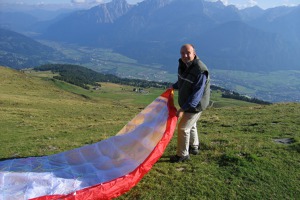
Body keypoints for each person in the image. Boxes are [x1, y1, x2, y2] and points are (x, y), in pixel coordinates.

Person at [170, 44, 210, 163]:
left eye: (188, 53)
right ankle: (194, 147)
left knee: (183, 128)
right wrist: (173, 86)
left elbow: (196, 96)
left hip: (195, 106)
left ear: (194, 53)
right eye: (182, 53)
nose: (185, 55)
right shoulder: (184, 65)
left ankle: (182, 155)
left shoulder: (200, 70)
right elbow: (183, 81)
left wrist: (182, 109)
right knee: (191, 125)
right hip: (189, 104)